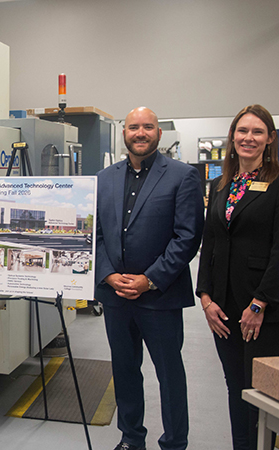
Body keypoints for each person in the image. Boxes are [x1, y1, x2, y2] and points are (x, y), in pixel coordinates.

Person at [95, 107, 204, 450]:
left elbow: (187, 237)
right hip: (116, 298)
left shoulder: (182, 176)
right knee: (125, 371)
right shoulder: (104, 178)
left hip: (160, 297)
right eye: (133, 127)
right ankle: (131, 438)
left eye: (147, 127)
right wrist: (108, 274)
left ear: (159, 133)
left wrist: (150, 279)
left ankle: (174, 442)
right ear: (123, 133)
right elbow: (93, 234)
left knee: (169, 375)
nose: (140, 133)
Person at [196, 104, 279, 450]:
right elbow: (210, 241)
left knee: (259, 392)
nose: (248, 138)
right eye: (242, 131)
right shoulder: (221, 184)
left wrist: (258, 304)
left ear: (270, 139)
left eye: (257, 132)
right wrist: (206, 298)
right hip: (223, 308)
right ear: (232, 137)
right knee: (235, 387)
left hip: (261, 309)